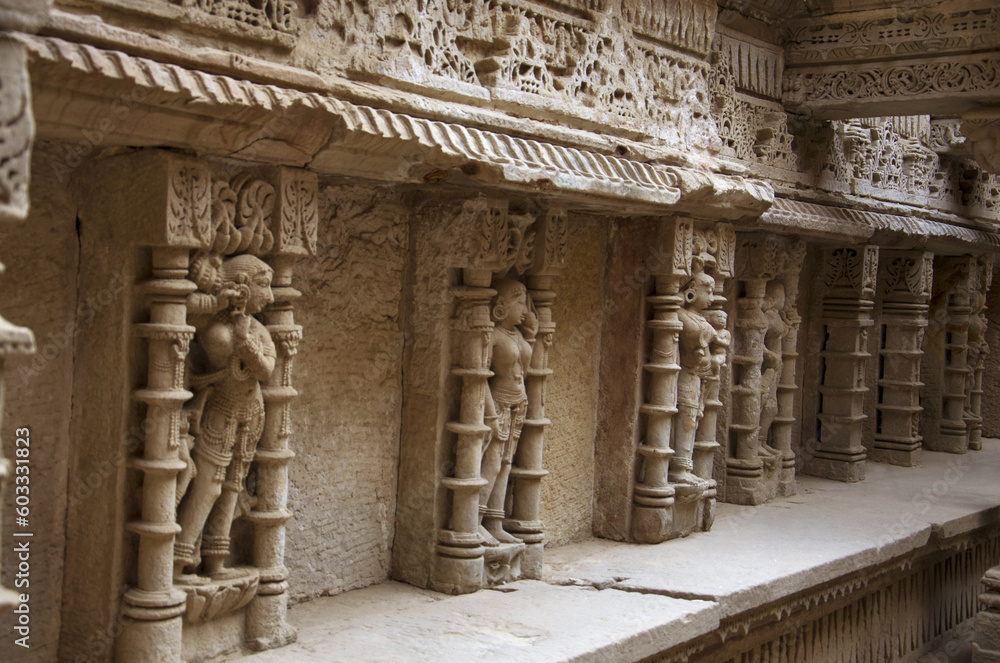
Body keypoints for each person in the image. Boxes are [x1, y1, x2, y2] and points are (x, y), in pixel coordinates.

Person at [174, 254, 276, 583]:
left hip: (252, 412)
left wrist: (246, 340)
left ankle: (216, 559)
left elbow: (266, 370)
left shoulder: (256, 329)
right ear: (242, 285)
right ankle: (179, 559)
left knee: (233, 485)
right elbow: (183, 308)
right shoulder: (214, 325)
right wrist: (217, 301)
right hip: (219, 410)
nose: (270, 296)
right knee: (207, 485)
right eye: (263, 285)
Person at [479, 279, 536, 546]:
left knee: (506, 463)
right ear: (502, 305)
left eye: (526, 303)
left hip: (519, 402)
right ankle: (475, 521)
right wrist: (489, 415)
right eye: (520, 302)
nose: (525, 309)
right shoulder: (492, 334)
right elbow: (480, 378)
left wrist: (533, 335)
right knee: (491, 460)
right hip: (498, 402)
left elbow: (526, 371)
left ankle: (494, 521)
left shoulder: (519, 335)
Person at [671, 264, 716, 486]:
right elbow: (696, 336)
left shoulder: (697, 317)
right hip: (687, 375)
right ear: (693, 290)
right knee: (686, 419)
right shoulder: (683, 314)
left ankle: (684, 465)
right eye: (708, 290)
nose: (712, 296)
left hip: (698, 376)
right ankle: (679, 468)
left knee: (693, 420)